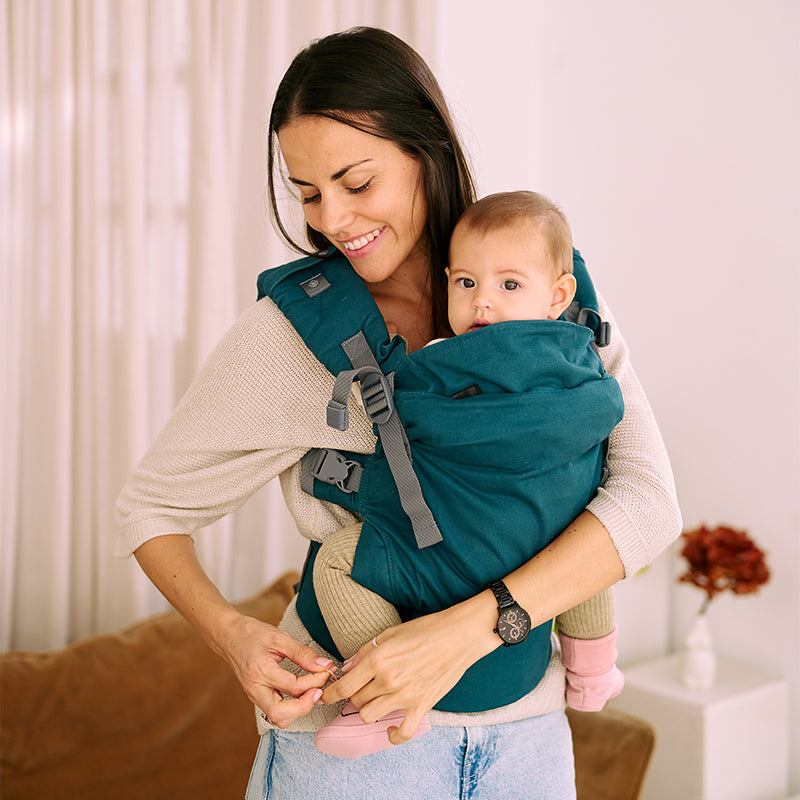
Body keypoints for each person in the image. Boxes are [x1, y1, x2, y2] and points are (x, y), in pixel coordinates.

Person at [115, 27, 682, 800]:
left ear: (428, 150)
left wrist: (471, 630)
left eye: (355, 182)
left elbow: (647, 502)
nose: (333, 220)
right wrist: (234, 636)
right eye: (308, 192)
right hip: (352, 753)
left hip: (529, 743)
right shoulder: (289, 338)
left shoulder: (543, 288)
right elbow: (150, 508)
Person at [311, 190, 625, 759]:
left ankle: (379, 701)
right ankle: (594, 667)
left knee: (336, 560)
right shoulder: (589, 361)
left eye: (509, 285)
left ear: (557, 294)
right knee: (587, 537)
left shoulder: (435, 360)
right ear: (448, 281)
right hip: (546, 548)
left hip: (449, 548)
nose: (484, 304)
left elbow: (401, 425)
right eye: (466, 285)